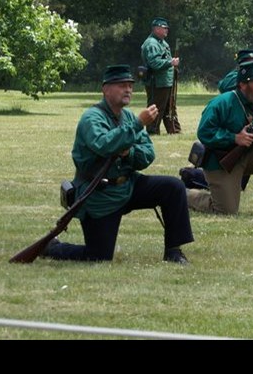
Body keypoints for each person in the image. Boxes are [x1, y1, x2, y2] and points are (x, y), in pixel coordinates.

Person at [40, 65, 193, 264]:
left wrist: (129, 152)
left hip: (128, 185)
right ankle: (53, 247)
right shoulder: (91, 118)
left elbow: (147, 154)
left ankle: (173, 252)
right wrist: (137, 125)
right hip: (100, 194)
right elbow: (104, 145)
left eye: (130, 85)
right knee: (99, 256)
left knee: (173, 187)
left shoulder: (129, 117)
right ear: (105, 89)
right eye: (122, 85)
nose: (128, 89)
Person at [187, 60, 253, 216]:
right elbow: (205, 132)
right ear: (243, 85)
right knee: (226, 211)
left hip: (247, 155)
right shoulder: (221, 103)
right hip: (221, 161)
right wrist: (234, 138)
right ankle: (185, 195)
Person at [140, 17, 181, 135]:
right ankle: (152, 131)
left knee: (170, 107)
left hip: (166, 81)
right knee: (156, 108)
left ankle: (174, 130)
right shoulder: (151, 44)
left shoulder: (162, 42)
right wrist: (170, 62)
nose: (166, 30)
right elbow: (154, 63)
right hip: (157, 82)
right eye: (164, 28)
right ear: (156, 29)